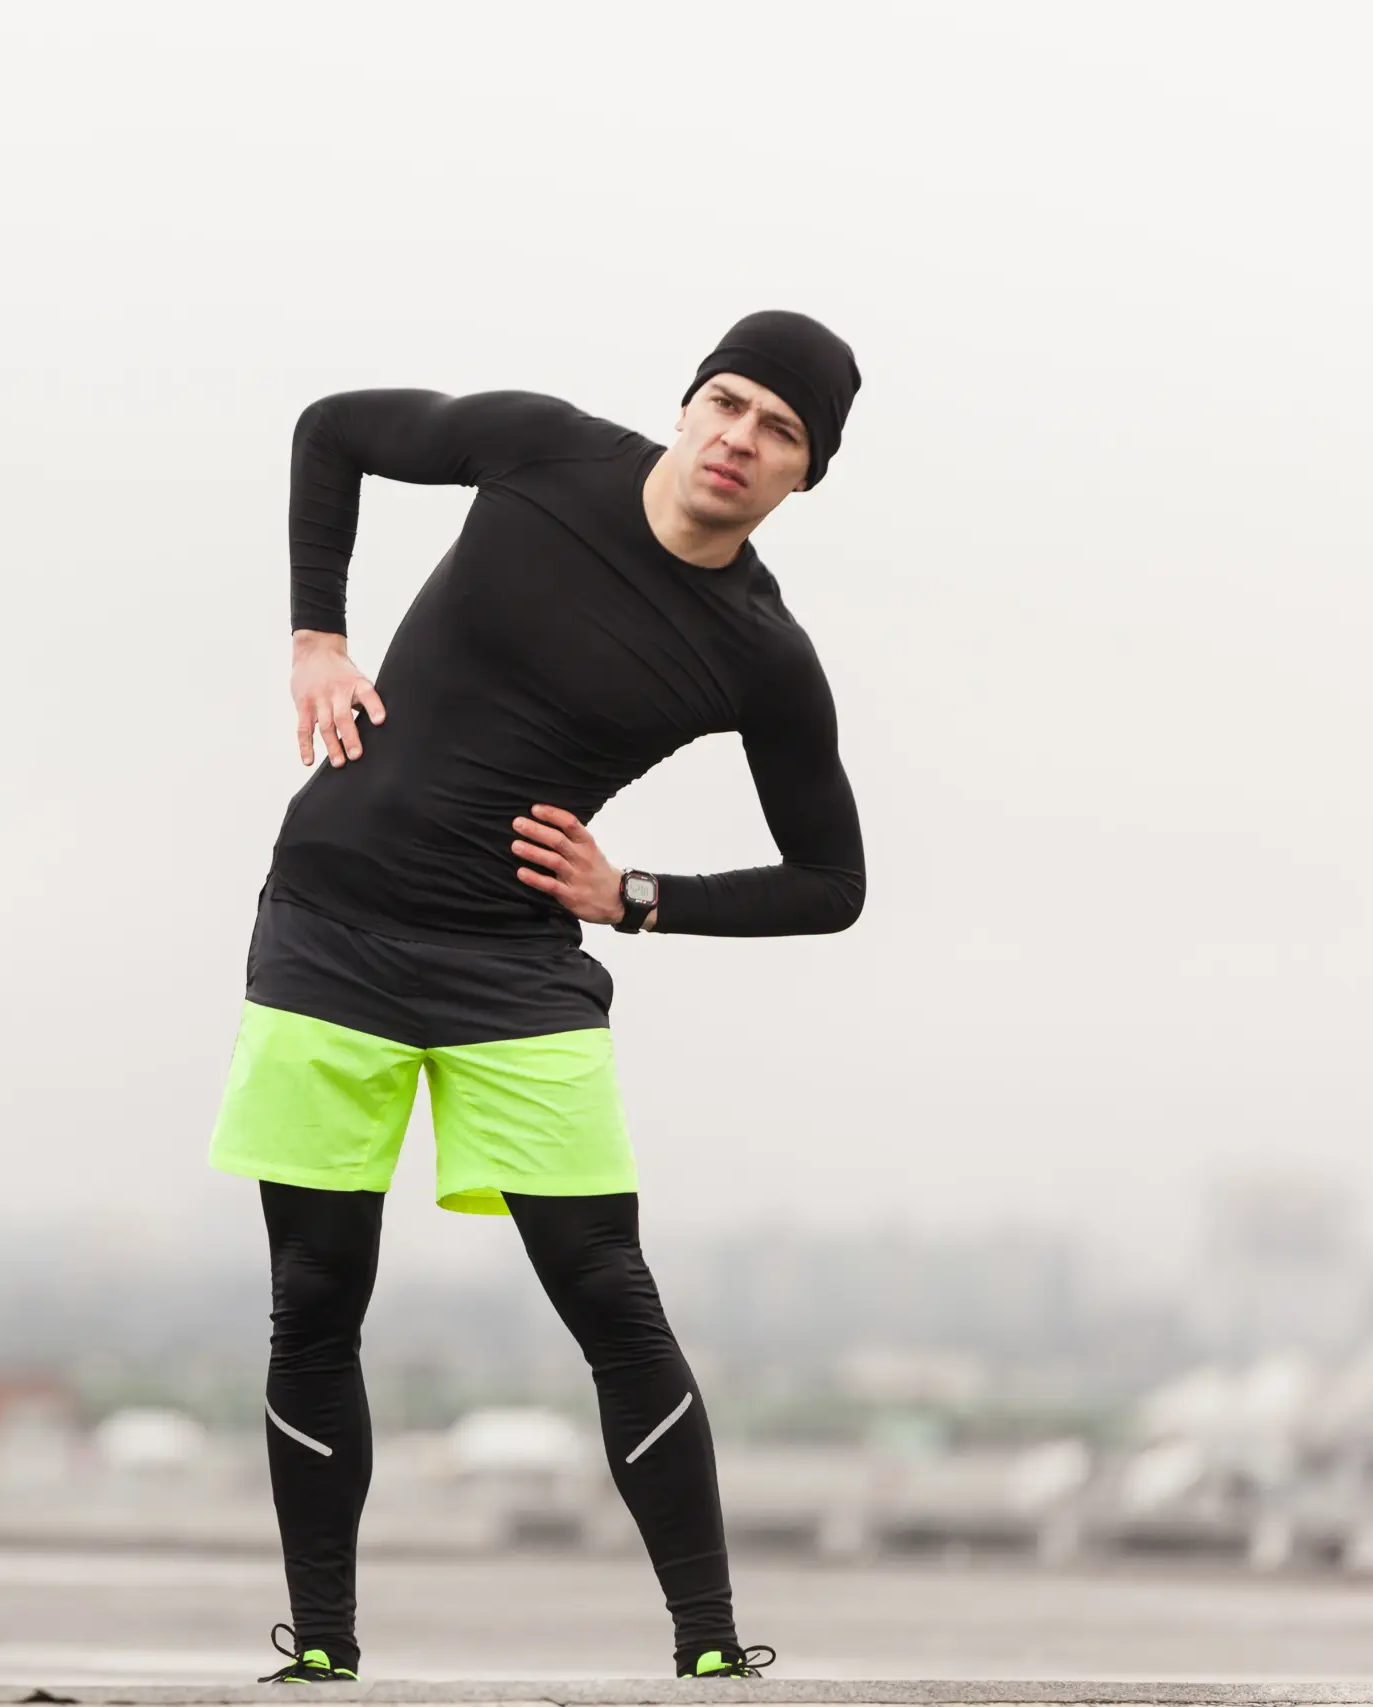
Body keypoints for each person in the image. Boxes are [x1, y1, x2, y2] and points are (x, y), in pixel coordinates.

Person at [208, 311, 867, 1683]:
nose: (741, 439)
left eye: (781, 432)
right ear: (689, 404)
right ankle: (322, 1652)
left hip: (515, 971)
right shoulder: (543, 450)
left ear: (806, 475)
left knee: (610, 1294)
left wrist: (638, 896)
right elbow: (334, 429)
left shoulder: (762, 652)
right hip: (329, 924)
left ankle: (712, 1652)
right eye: (729, 402)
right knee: (315, 1294)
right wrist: (318, 636)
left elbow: (832, 881)